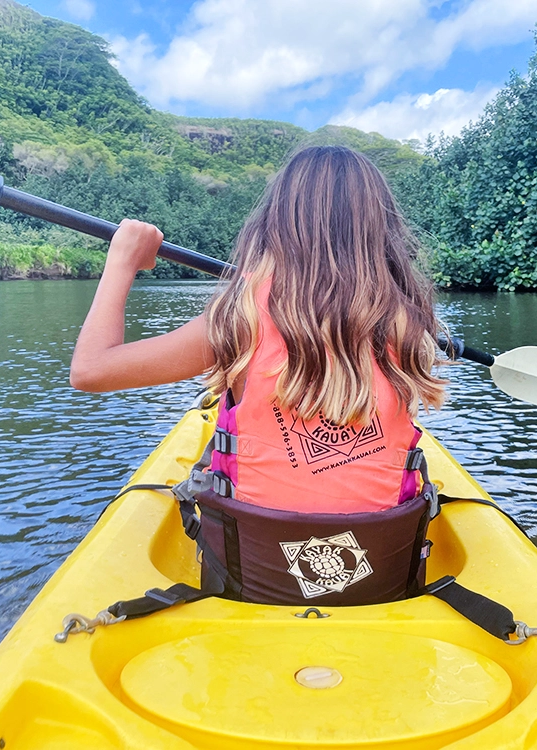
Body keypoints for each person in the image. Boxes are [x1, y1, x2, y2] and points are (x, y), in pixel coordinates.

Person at [70, 146, 447, 605]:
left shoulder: (237, 316)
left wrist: (123, 261)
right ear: (380, 230)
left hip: (252, 577)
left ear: (275, 223)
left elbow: (90, 370)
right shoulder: (411, 325)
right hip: (382, 579)